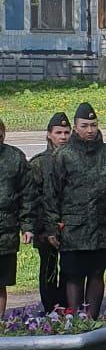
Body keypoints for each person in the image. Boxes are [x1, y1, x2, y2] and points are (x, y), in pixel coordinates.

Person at [45, 103, 106, 319]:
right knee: (73, 276)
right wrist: (52, 227)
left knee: (97, 273)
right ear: (75, 127)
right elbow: (52, 193)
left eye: (93, 125)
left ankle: (91, 320)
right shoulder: (63, 155)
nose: (90, 130)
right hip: (73, 228)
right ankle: (74, 320)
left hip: (103, 226)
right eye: (84, 125)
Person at [28, 111, 70, 310]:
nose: (63, 137)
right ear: (49, 134)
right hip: (45, 227)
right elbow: (33, 199)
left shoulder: (73, 159)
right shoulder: (38, 163)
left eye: (66, 132)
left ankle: (68, 308)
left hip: (71, 225)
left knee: (70, 270)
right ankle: (49, 309)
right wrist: (44, 230)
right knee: (48, 269)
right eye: (58, 132)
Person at [0, 118, 36, 318]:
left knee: (0, 282)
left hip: (5, 232)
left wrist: (27, 226)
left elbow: (27, 194)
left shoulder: (15, 158)